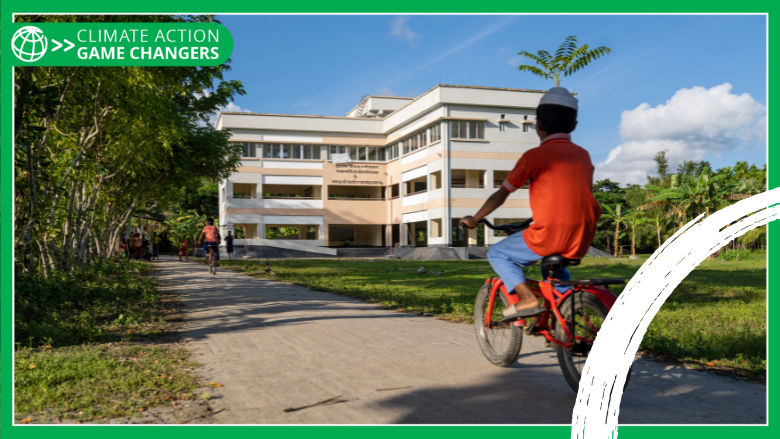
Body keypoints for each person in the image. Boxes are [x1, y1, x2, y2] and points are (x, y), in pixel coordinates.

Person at [459, 87, 602, 320]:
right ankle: (565, 317)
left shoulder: (534, 157)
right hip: (581, 236)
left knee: (498, 254)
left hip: (549, 234)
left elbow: (501, 194)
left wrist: (474, 219)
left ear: (538, 125)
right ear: (574, 126)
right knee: (554, 272)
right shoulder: (583, 155)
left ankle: (527, 298)